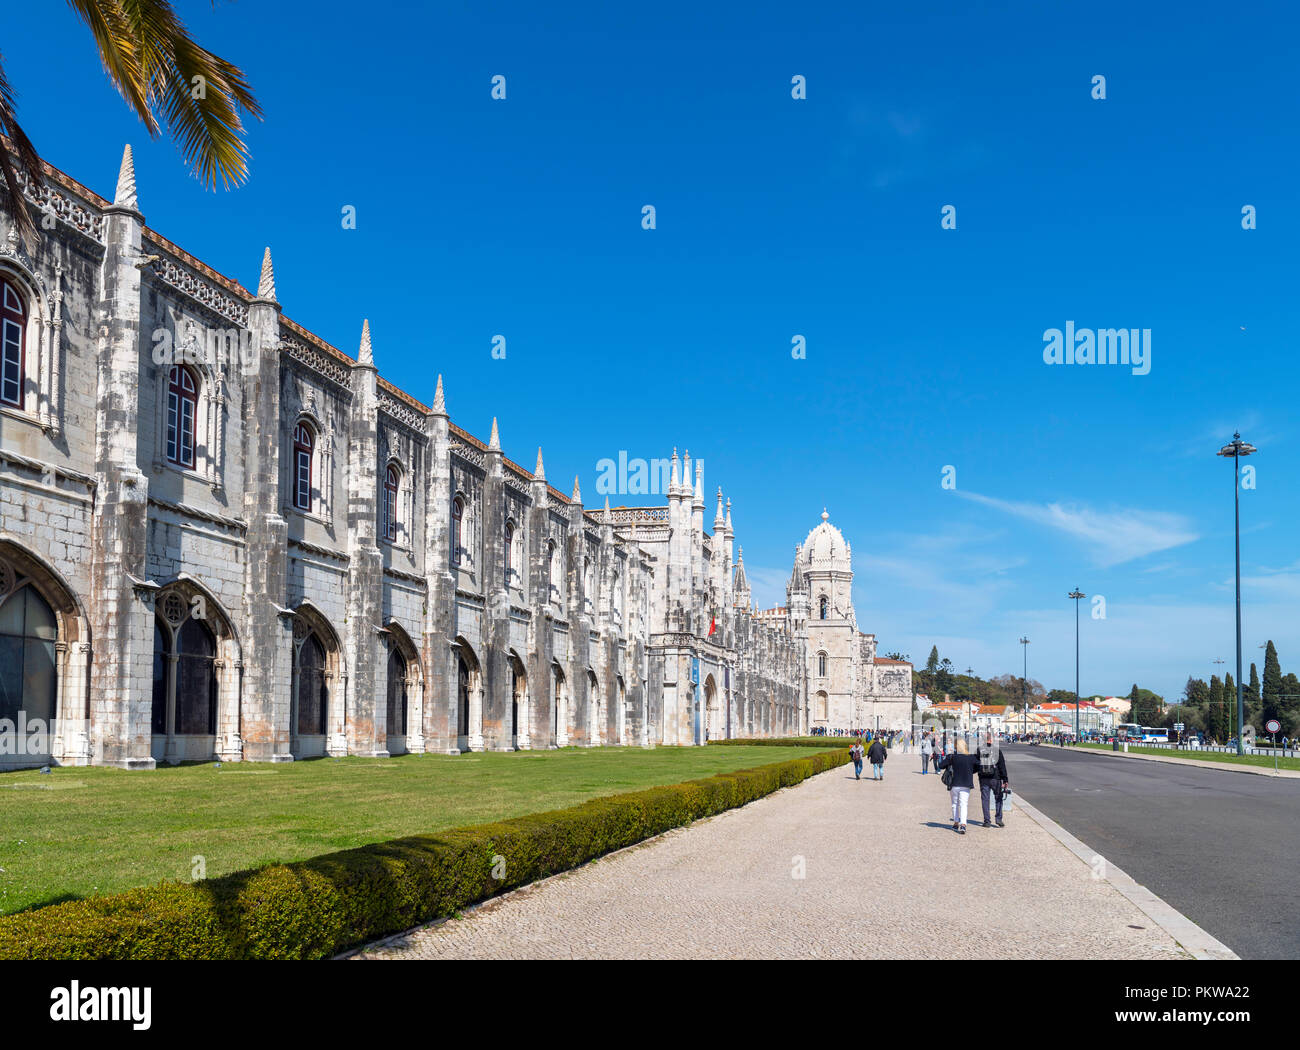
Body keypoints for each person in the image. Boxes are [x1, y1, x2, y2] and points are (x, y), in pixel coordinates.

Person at [936, 738, 980, 834]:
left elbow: (940, 765)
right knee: (964, 804)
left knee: (955, 804)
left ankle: (956, 823)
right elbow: (979, 765)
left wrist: (947, 757)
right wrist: (970, 771)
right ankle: (963, 824)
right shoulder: (971, 757)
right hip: (966, 783)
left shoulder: (952, 757)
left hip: (954, 783)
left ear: (956, 746)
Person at [976, 732, 1009, 828]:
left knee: (985, 799)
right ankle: (998, 819)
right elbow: (1002, 766)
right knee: (998, 798)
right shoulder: (996, 750)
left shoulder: (979, 750)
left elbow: (975, 763)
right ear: (992, 739)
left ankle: (987, 821)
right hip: (996, 778)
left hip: (983, 778)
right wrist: (1005, 779)